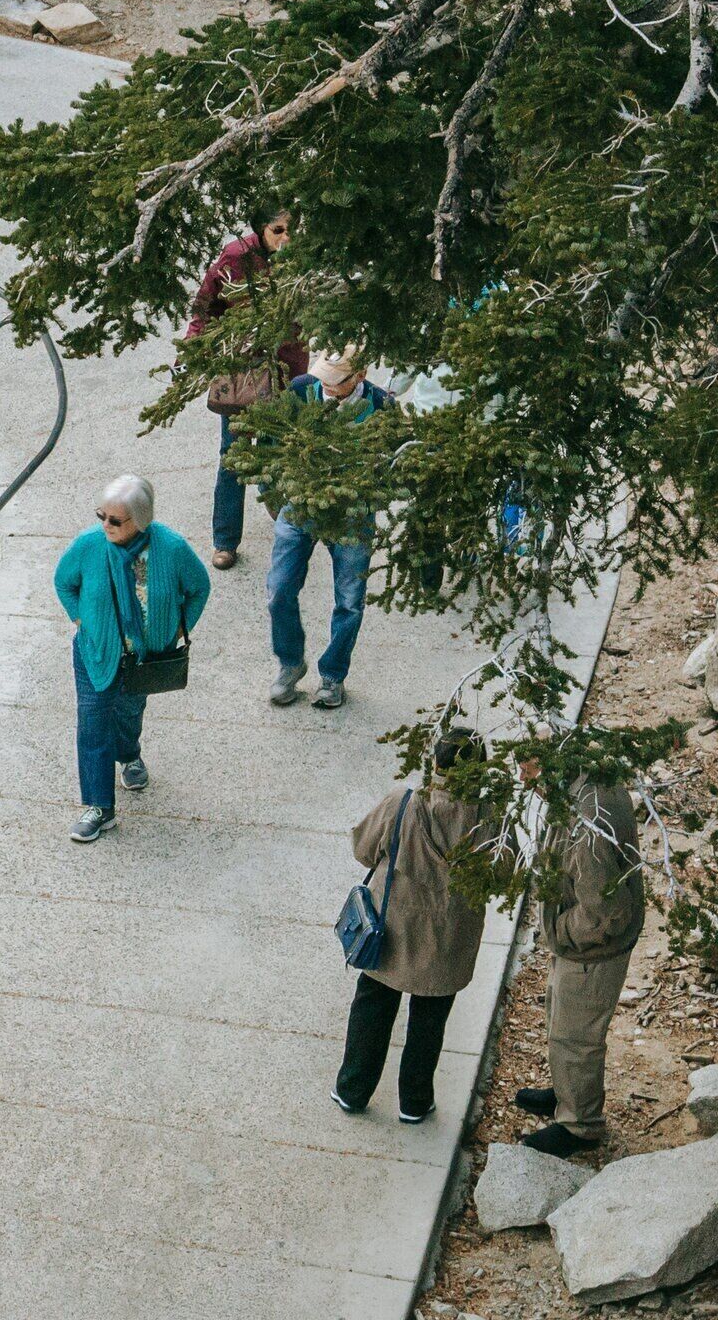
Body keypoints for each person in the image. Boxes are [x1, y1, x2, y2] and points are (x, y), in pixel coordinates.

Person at [336, 732, 498, 1123]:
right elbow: (499, 875)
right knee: (430, 1022)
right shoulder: (489, 816)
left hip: (390, 930)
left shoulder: (403, 802)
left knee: (372, 1008)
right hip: (448, 939)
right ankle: (414, 1101)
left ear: (436, 764)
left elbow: (363, 849)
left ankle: (353, 1090)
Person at [51, 474, 210, 845]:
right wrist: (80, 619)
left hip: (145, 657)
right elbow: (63, 582)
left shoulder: (171, 548)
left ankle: (129, 755)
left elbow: (199, 587)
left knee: (129, 711)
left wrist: (179, 628)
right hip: (96, 651)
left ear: (140, 520)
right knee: (92, 724)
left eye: (114, 520)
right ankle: (99, 808)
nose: (105, 525)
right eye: (101, 516)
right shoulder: (89, 545)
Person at [512, 773, 644, 1157]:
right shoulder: (583, 781)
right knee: (560, 1018)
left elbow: (607, 912)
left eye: (529, 767)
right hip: (581, 946)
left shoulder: (587, 825)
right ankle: (566, 1092)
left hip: (592, 950)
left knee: (576, 1037)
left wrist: (561, 930)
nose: (523, 777)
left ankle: (580, 1124)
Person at [266, 346, 395, 710]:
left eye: (336, 381)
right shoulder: (301, 390)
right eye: (324, 376)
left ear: (360, 375)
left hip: (353, 512)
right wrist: (276, 490)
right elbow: (273, 439)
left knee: (350, 601)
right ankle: (290, 663)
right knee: (278, 590)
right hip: (301, 504)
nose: (327, 385)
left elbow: (395, 460)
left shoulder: (381, 405)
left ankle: (333, 675)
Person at [189, 208, 307, 570]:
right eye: (278, 229)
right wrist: (195, 346)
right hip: (244, 371)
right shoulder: (236, 256)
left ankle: (283, 515)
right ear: (262, 228)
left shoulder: (300, 258)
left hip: (287, 368)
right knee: (234, 454)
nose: (286, 237)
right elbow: (205, 304)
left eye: (291, 229)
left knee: (280, 445)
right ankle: (225, 540)